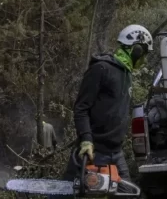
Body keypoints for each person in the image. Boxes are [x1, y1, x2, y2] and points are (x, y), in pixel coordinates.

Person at [50, 24, 153, 198]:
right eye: (144, 53)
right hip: (95, 150)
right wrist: (86, 140)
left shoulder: (126, 74)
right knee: (68, 192)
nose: (144, 59)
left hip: (116, 152)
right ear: (136, 49)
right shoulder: (101, 68)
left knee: (129, 194)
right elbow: (81, 108)